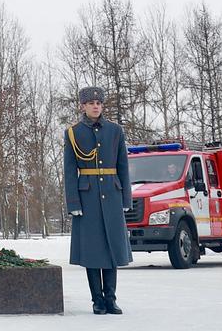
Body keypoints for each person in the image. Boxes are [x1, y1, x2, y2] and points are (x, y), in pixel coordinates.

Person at [63, 87, 132, 315]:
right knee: (92, 251)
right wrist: (73, 203)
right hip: (87, 197)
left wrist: (125, 198)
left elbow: (123, 166)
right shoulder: (73, 133)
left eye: (99, 103)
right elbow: (70, 170)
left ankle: (111, 299)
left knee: (112, 249)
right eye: (91, 103)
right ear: (82, 106)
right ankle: (97, 301)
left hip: (112, 195)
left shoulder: (115, 131)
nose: (95, 106)